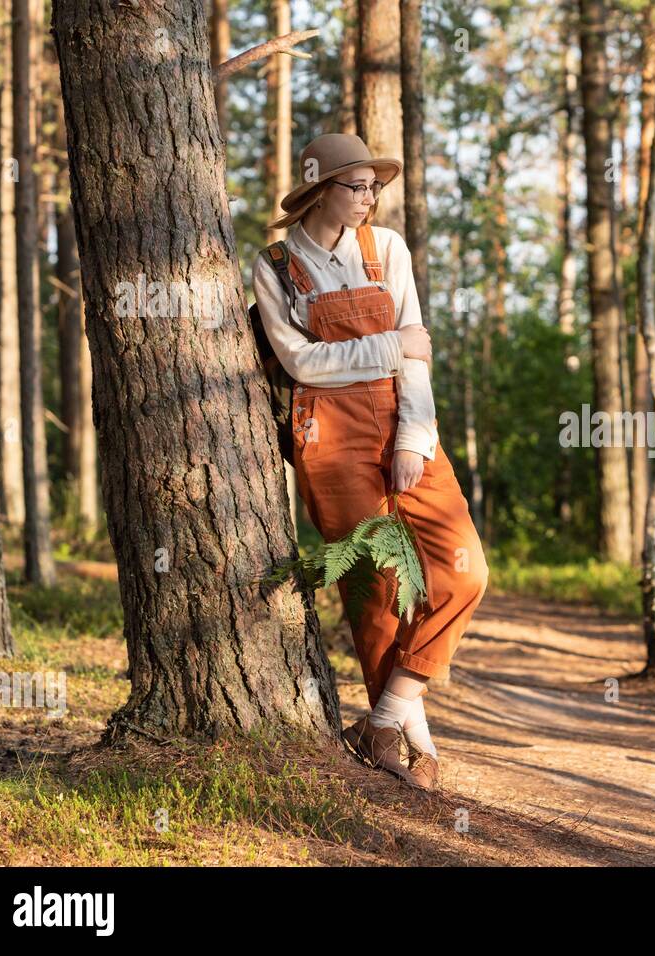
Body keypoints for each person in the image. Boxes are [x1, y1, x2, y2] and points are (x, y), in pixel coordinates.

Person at [252, 133, 488, 791]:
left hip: (402, 425)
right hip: (327, 439)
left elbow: (419, 354)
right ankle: (408, 738)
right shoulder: (273, 265)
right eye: (356, 186)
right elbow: (301, 364)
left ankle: (382, 717)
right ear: (319, 189)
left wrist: (414, 438)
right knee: (373, 591)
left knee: (464, 573)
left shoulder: (387, 249)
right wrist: (392, 344)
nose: (369, 197)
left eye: (372, 186)